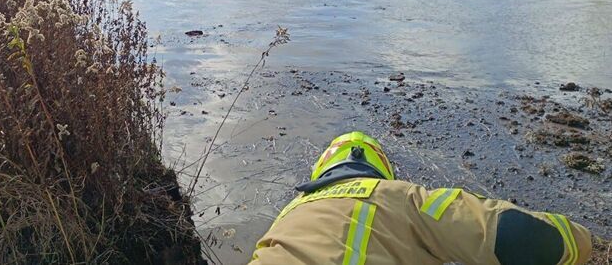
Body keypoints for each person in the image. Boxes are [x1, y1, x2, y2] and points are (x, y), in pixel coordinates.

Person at [250, 131, 593, 265]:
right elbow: (520, 236)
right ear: (380, 170)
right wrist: (585, 241)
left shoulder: (286, 218)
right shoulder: (402, 198)